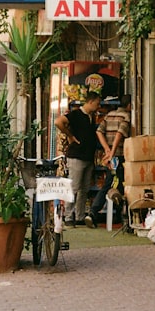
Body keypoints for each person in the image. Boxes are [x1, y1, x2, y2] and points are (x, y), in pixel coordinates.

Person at [54, 91, 102, 226]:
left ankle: (80, 216)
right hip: (77, 155)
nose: (98, 107)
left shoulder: (91, 117)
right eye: (97, 103)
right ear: (90, 102)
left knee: (84, 189)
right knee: (74, 187)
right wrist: (69, 135)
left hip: (88, 157)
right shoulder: (76, 114)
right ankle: (69, 216)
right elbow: (59, 122)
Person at [85, 94, 132, 228]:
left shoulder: (109, 115)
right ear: (129, 105)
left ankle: (117, 215)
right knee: (114, 184)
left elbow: (99, 131)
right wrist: (112, 152)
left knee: (113, 184)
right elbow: (120, 133)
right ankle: (95, 213)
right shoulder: (126, 117)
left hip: (111, 157)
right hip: (118, 156)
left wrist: (106, 149)